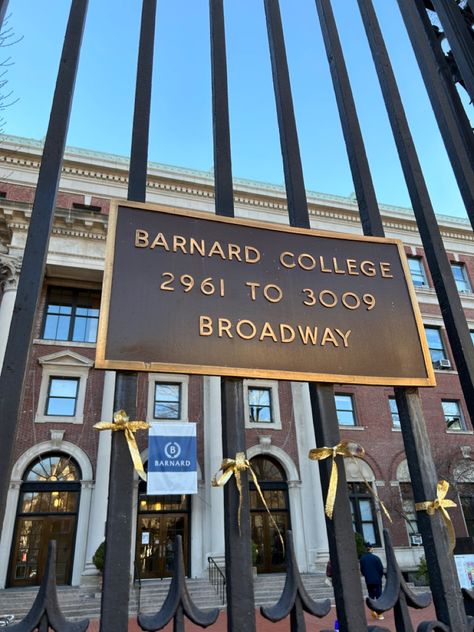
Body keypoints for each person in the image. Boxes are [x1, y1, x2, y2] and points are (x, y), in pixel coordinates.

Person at [359, 542, 384, 620]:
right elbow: (381, 569)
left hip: (368, 580)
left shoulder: (362, 559)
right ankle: (380, 614)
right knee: (379, 596)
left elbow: (362, 570)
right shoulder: (376, 558)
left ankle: (372, 610)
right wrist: (380, 577)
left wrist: (366, 576)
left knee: (371, 596)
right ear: (370, 548)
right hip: (377, 579)